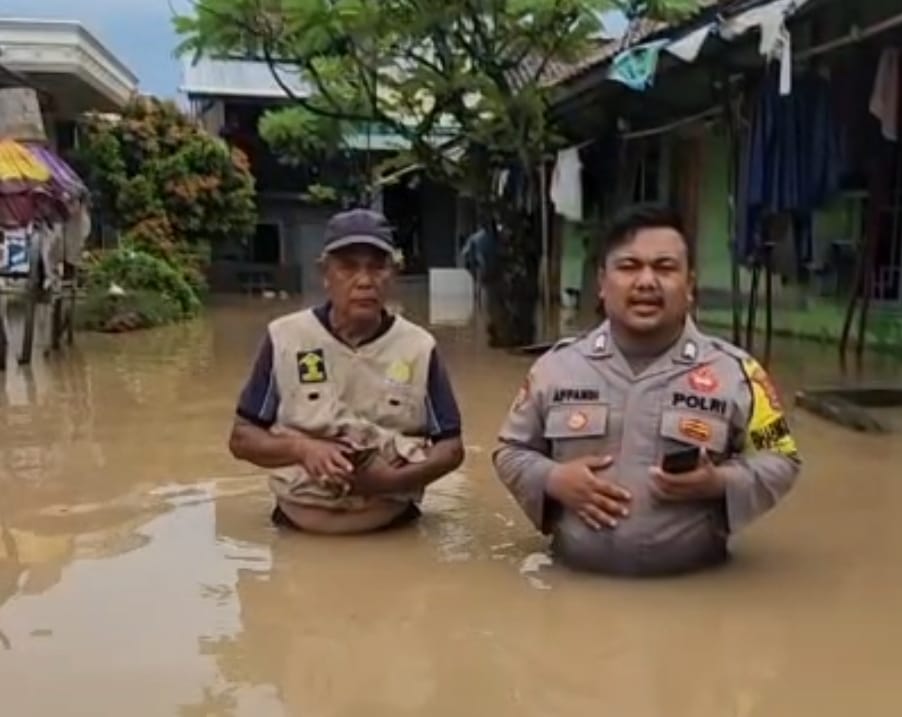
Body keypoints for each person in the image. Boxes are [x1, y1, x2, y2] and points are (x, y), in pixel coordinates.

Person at [492, 204, 802, 576]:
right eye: (629, 267)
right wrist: (553, 479)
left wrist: (718, 482)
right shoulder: (554, 368)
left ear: (689, 286)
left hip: (695, 590)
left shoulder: (738, 373)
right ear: (602, 283)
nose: (646, 282)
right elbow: (510, 451)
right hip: (573, 588)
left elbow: (781, 460)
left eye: (665, 268)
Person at [230, 208, 465, 534]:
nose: (365, 281)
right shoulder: (285, 337)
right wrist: (303, 449)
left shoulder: (419, 347)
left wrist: (390, 482)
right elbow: (242, 438)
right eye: (348, 267)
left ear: (393, 274)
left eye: (377, 267)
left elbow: (451, 449)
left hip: (393, 533)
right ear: (324, 273)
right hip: (295, 535)